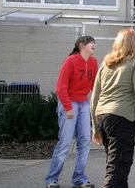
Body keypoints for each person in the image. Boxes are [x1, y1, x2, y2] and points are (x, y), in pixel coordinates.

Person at [90, 28, 135, 187]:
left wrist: (95, 127)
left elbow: (94, 96)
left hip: (103, 117)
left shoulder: (106, 63)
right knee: (117, 169)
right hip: (121, 118)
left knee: (118, 166)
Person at [45, 35, 98, 188]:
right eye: (91, 43)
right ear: (81, 45)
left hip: (83, 103)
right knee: (65, 143)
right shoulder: (71, 61)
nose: (94, 45)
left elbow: (94, 86)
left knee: (84, 142)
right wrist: (68, 107)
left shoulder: (93, 62)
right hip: (69, 103)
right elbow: (61, 87)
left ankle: (80, 179)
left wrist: (97, 104)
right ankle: (51, 179)